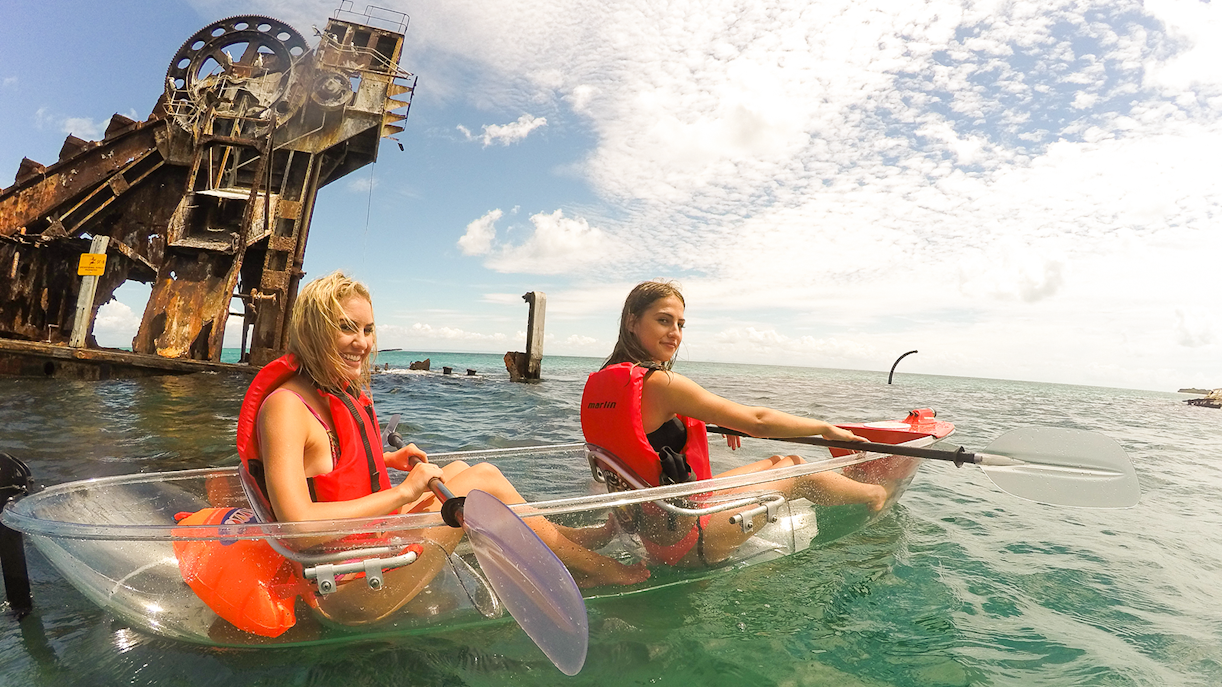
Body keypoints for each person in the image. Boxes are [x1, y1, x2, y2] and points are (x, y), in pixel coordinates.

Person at [237, 271, 647, 623]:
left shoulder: (327, 391)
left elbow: (327, 468)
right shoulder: (286, 408)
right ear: (312, 330)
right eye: (346, 327)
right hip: (344, 590)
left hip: (367, 551)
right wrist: (404, 491)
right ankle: (591, 567)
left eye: (367, 329)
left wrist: (387, 459)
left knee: (460, 469)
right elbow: (298, 527)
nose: (361, 342)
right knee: (480, 481)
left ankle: (565, 541)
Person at [581, 280, 889, 568]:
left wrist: (710, 420)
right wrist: (825, 428)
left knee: (776, 461)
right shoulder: (662, 384)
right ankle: (876, 495)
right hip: (691, 541)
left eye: (681, 324)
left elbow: (644, 431)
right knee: (795, 468)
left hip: (653, 531)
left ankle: (848, 488)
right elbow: (759, 422)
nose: (675, 333)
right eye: (663, 321)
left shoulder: (603, 384)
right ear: (632, 322)